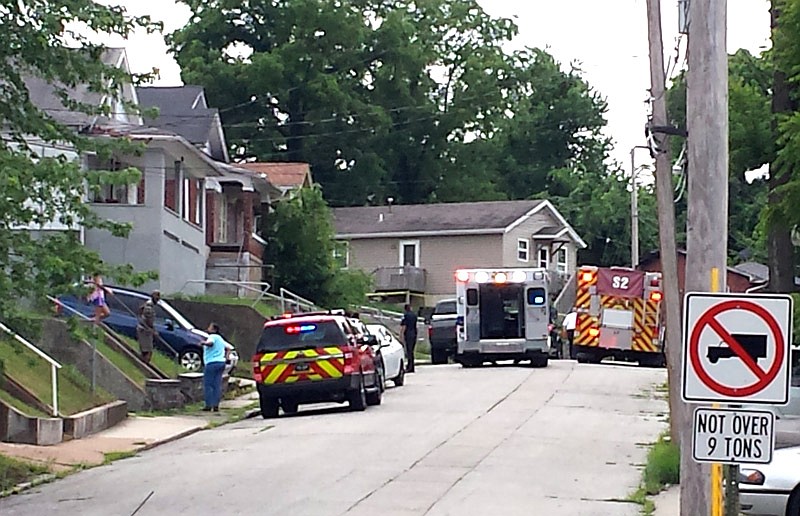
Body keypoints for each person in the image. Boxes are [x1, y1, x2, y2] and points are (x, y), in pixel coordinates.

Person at [201, 323, 232, 412]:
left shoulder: (212, 336)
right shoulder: (220, 339)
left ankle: (208, 405)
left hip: (211, 363)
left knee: (208, 385)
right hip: (221, 363)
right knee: (217, 385)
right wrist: (227, 357)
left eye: (209, 327)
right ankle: (216, 405)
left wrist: (204, 343)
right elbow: (229, 348)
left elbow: (210, 343)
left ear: (214, 330)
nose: (208, 328)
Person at [136, 291, 160, 364]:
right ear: (153, 296)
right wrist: (154, 331)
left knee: (145, 351)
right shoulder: (149, 306)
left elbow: (140, 310)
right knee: (148, 351)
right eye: (157, 296)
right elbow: (149, 320)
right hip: (145, 330)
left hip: (143, 329)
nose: (158, 298)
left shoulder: (147, 304)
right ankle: (144, 365)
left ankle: (142, 363)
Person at [400, 304, 418, 373]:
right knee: (412, 351)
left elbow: (404, 326)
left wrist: (401, 335)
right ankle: (411, 366)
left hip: (408, 334)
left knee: (409, 351)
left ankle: (410, 367)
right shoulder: (414, 315)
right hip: (414, 334)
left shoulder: (405, 316)